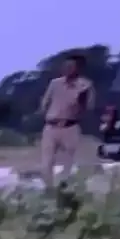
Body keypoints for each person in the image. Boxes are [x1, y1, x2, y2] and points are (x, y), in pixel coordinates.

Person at [38, 53, 94, 182]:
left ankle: (63, 186)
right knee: (47, 161)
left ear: (79, 68)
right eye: (65, 66)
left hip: (70, 127)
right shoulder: (55, 83)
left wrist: (82, 100)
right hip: (51, 126)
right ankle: (49, 186)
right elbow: (45, 102)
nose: (67, 69)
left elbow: (88, 108)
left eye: (71, 66)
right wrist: (45, 113)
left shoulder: (85, 86)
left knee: (68, 161)